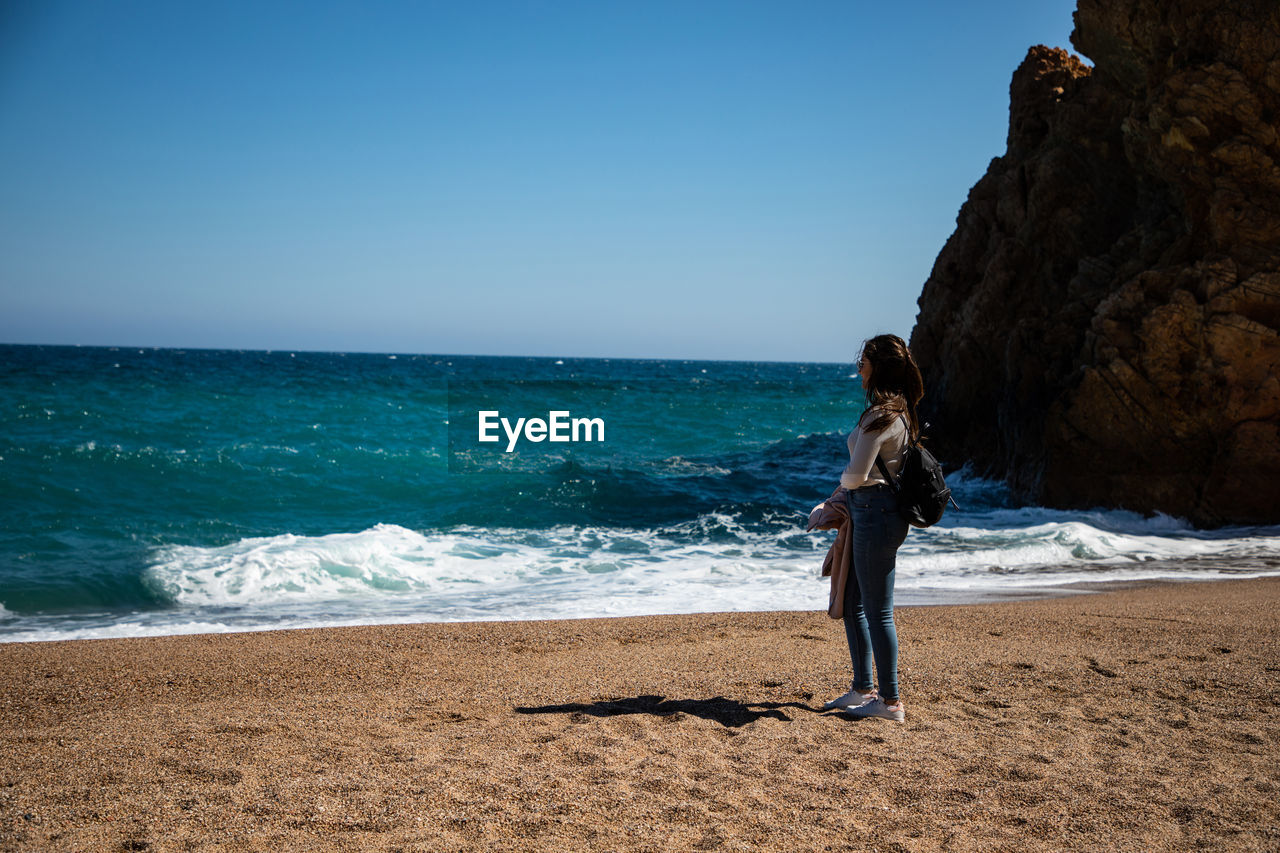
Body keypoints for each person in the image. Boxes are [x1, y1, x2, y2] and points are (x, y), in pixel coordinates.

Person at [822, 334, 923, 722]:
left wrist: (840, 486)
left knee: (876, 610)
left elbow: (857, 475)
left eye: (863, 360)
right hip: (878, 513)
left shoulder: (879, 416)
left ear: (877, 366)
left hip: (874, 513)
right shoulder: (900, 413)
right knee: (853, 603)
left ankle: (890, 700)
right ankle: (863, 688)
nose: (858, 367)